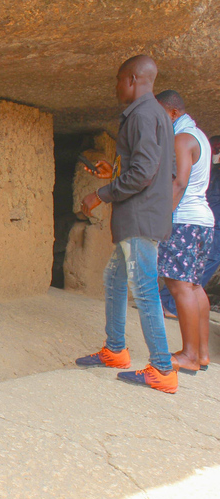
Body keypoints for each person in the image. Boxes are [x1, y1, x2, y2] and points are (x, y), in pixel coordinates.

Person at [75, 55, 178, 393]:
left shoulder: (143, 115)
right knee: (115, 278)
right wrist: (114, 173)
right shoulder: (157, 116)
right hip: (141, 215)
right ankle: (115, 350)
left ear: (133, 79)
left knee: (144, 289)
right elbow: (153, 169)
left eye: (119, 79)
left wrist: (101, 194)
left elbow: (145, 173)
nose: (117, 86)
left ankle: (162, 368)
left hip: (139, 218)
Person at [153, 90, 214, 373]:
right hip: (202, 221)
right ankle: (201, 354)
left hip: (184, 220)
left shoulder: (181, 138)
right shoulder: (198, 135)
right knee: (194, 285)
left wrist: (162, 219)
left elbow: (179, 182)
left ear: (173, 113)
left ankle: (189, 355)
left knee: (178, 286)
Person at [160, 134, 220, 320]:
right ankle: (168, 303)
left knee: (195, 273)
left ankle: (170, 304)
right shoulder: (213, 171)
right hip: (207, 222)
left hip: (207, 223)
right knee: (190, 273)